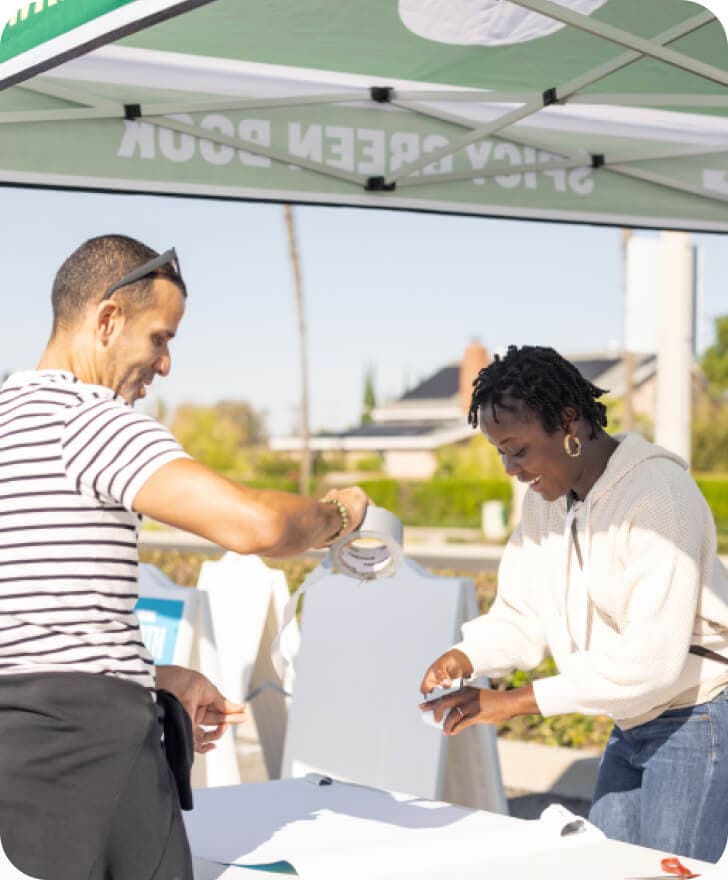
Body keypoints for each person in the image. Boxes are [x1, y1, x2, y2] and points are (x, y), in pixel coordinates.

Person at [0, 234, 369, 879]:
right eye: (160, 338)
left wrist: (151, 677)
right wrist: (336, 516)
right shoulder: (89, 418)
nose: (164, 364)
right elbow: (255, 526)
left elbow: (33, 622)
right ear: (108, 319)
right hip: (92, 760)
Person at [419, 344, 728, 863]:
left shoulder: (658, 497)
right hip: (629, 720)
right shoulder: (546, 503)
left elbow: (652, 662)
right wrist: (467, 657)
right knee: (603, 868)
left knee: (665, 874)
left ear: (568, 421)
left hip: (696, 717)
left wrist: (513, 703)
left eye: (518, 450)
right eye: (501, 453)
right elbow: (523, 614)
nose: (511, 468)